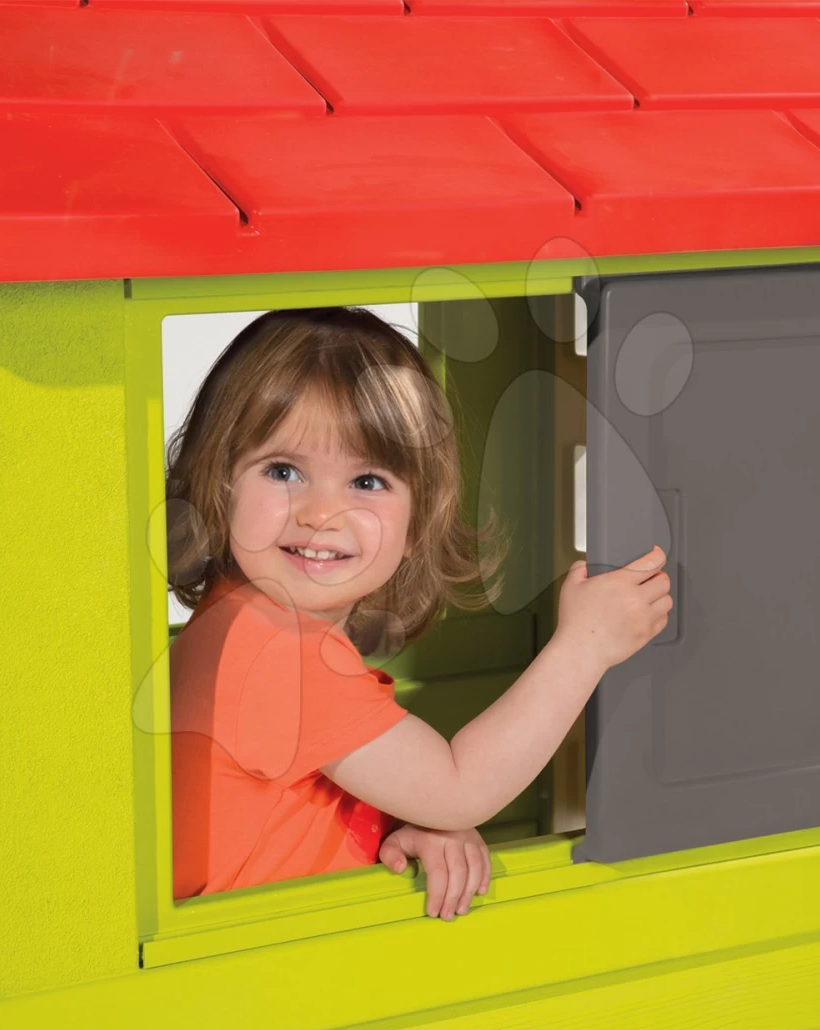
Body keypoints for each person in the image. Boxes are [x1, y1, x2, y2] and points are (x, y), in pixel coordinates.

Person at [165, 307, 671, 920]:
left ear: (416, 521)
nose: (321, 513)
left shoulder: (235, 621)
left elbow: (333, 793)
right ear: (219, 485)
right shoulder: (272, 648)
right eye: (284, 471)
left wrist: (417, 819)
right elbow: (460, 788)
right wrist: (585, 646)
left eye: (367, 482)